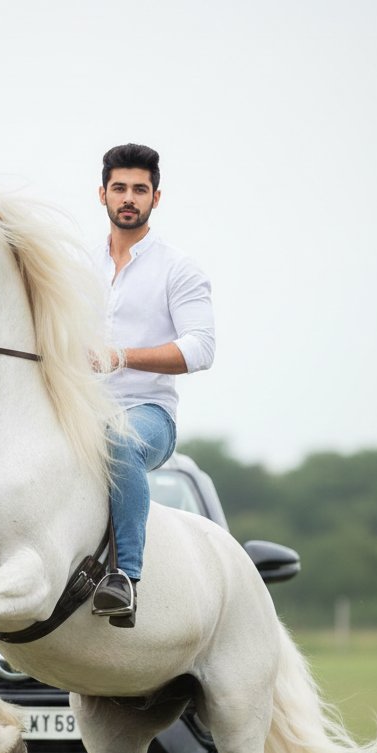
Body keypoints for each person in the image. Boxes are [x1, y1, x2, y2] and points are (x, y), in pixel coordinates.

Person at [90, 143, 215, 627]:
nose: (128, 198)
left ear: (155, 198)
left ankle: (126, 579)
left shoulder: (178, 268)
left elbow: (201, 349)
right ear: (101, 193)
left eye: (139, 190)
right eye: (119, 188)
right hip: (78, 409)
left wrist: (122, 356)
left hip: (147, 415)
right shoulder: (78, 265)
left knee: (117, 439)